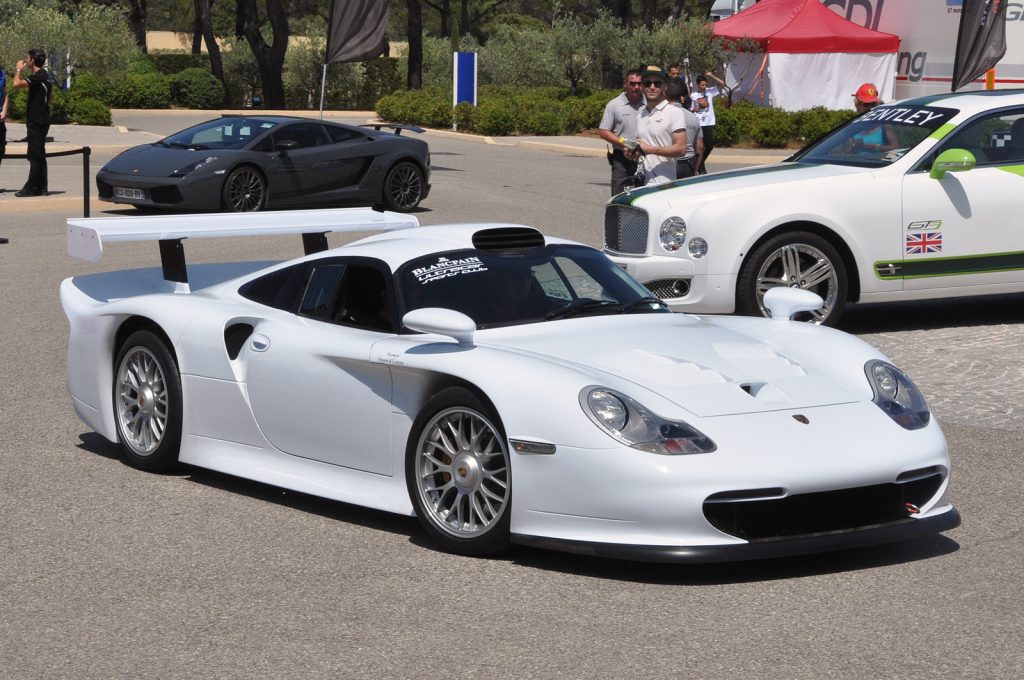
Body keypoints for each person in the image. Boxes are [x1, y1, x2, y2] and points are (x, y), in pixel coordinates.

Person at [625, 64, 688, 186]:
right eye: (647, 83)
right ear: (642, 87)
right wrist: (632, 153)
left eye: (657, 83)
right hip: (641, 182)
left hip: (664, 183)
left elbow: (681, 149)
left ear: (664, 87)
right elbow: (642, 147)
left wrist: (651, 150)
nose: (652, 87)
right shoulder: (641, 114)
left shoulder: (674, 112)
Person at [598, 69, 645, 195]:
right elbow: (603, 131)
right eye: (632, 83)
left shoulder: (650, 104)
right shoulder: (614, 105)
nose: (636, 87)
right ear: (625, 84)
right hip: (622, 160)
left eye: (639, 84)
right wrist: (627, 143)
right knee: (622, 197)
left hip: (647, 157)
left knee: (644, 197)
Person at [11, 49, 51, 197]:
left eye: (28, 58)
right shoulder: (44, 76)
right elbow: (49, 97)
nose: (26, 60)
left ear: (33, 60)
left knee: (34, 155)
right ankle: (42, 187)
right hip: (42, 119)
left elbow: (16, 84)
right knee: (40, 154)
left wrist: (18, 70)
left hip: (37, 121)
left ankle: (31, 188)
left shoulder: (38, 76)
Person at [665, 81, 703, 179]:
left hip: (666, 162)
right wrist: (695, 169)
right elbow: (699, 148)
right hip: (687, 164)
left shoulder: (661, 115)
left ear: (665, 94)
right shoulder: (692, 117)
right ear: (681, 97)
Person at [849, 82, 898, 153]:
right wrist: (853, 147)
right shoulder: (852, 126)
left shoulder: (884, 125)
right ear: (857, 105)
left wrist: (877, 147)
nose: (870, 107)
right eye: (866, 104)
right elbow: (846, 152)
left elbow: (896, 148)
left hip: (880, 163)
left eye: (873, 104)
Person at [691, 71, 725, 174]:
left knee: (709, 146)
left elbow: (722, 84)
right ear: (698, 85)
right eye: (702, 85)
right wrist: (698, 107)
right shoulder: (694, 95)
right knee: (700, 147)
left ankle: (699, 163)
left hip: (709, 122)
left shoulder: (710, 91)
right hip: (699, 123)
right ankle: (701, 168)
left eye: (706, 84)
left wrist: (711, 76)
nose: (704, 86)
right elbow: (692, 110)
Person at [0, 61, 8, 184]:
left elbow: (6, 94)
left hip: (0, 118)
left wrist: (4, 111)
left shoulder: (2, 74)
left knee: (1, 150)